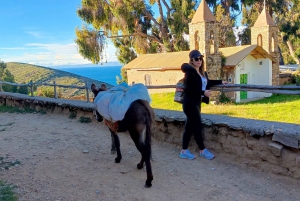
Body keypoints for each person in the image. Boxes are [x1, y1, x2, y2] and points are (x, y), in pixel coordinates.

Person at [179, 49, 227, 160]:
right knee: (197, 126)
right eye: (196, 58)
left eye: (200, 58)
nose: (199, 60)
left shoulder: (202, 73)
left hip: (196, 102)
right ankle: (202, 150)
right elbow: (189, 89)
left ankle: (184, 151)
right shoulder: (190, 72)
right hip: (189, 102)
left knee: (189, 126)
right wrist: (203, 92)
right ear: (192, 60)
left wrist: (221, 81)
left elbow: (207, 82)